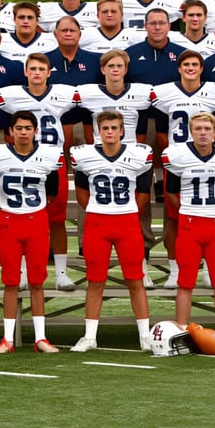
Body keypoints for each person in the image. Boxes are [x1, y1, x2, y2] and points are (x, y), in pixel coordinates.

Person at [69, 110, 153, 352]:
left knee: (135, 280)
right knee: (95, 281)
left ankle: (144, 336)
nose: (109, 132)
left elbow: (144, 193)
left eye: (114, 128)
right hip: (97, 221)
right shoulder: (84, 156)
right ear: (98, 131)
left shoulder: (140, 155)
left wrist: (125, 212)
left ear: (122, 130)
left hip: (127, 222)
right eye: (105, 128)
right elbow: (82, 193)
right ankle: (90, 336)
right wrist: (100, 211)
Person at [0, 110, 63, 353]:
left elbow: (53, 193)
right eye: (19, 128)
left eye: (28, 128)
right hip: (9, 221)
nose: (24, 132)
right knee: (10, 281)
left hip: (36, 220)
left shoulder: (48, 156)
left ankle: (40, 338)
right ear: (11, 132)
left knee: (37, 281)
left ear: (35, 131)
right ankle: (7, 339)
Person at [0, 53, 79, 291]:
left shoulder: (62, 93)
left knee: (57, 219)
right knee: (23, 217)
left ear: (48, 72)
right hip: (24, 159)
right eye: (32, 68)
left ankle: (61, 272)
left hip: (52, 159)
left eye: (41, 69)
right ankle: (22, 270)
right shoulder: (12, 96)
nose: (36, 73)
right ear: (25, 72)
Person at [163, 112, 215, 350]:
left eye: (207, 129)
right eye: (197, 128)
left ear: (214, 130)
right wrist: (189, 212)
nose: (202, 133)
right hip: (189, 224)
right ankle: (180, 333)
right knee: (185, 282)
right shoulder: (177, 155)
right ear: (190, 131)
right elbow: (170, 192)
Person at [151, 51, 215, 288]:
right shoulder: (165, 92)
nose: (191, 68)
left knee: (214, 215)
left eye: (195, 64)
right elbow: (163, 131)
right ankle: (175, 268)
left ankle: (207, 266)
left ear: (201, 68)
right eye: (186, 64)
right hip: (180, 160)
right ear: (179, 68)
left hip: (209, 159)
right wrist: (175, 153)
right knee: (174, 218)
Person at [125, 8, 187, 86]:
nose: (157, 27)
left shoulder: (183, 55)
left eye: (161, 23)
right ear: (145, 26)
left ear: (168, 26)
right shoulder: (129, 55)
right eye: (152, 23)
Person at [80, 0, 144, 54]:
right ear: (98, 15)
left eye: (113, 11)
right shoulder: (84, 36)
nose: (109, 15)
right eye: (105, 12)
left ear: (122, 15)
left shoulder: (134, 37)